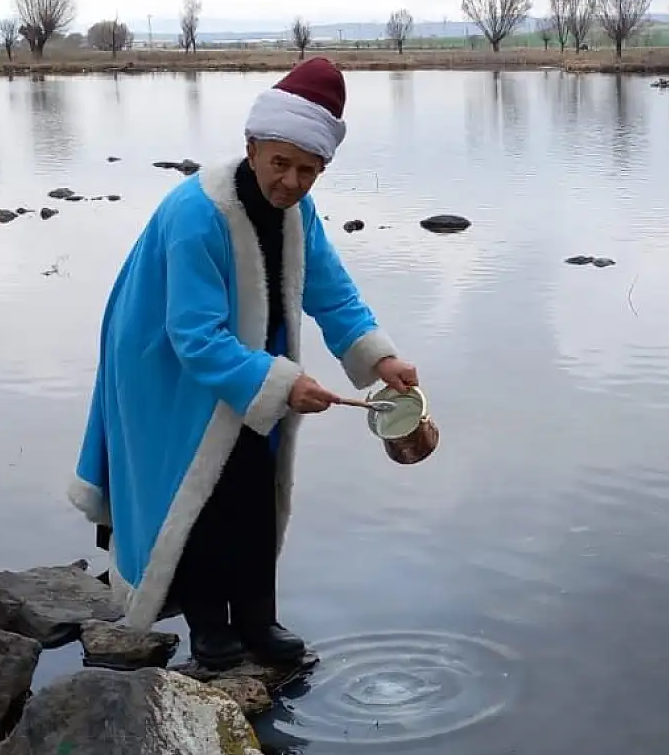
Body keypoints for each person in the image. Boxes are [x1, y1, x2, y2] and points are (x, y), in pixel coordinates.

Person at [67, 57, 419, 671]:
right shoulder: (195, 215)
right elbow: (194, 335)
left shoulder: (299, 212)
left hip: (249, 359)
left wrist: (379, 358)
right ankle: (210, 627)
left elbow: (332, 292)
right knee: (198, 482)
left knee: (255, 480)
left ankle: (259, 619)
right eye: (280, 163)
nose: (290, 181)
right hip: (162, 359)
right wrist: (282, 383)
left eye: (307, 170)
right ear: (252, 147)